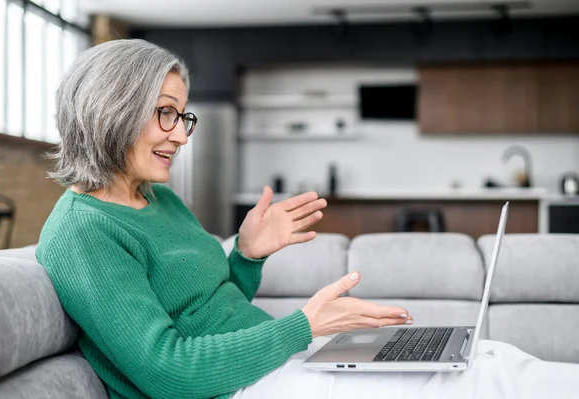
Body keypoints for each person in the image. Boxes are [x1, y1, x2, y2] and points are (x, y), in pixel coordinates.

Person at [37, 39, 579, 399]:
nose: (181, 134)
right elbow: (168, 368)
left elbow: (211, 310)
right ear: (112, 109)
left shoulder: (158, 200)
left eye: (184, 116)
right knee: (481, 384)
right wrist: (303, 328)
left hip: (271, 364)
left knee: (488, 356)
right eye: (167, 113)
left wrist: (245, 257)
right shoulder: (84, 231)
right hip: (239, 389)